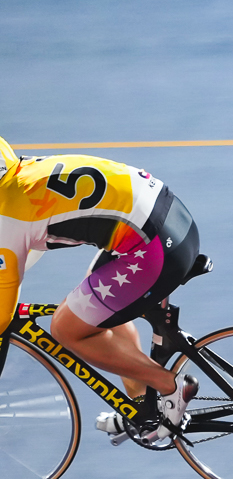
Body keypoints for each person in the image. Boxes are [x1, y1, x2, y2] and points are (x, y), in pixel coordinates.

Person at [0, 137, 201, 440]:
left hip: (154, 249)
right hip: (167, 217)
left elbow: (4, 312)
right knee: (94, 307)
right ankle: (140, 407)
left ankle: (171, 386)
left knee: (66, 328)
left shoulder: (7, 216)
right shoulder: (20, 171)